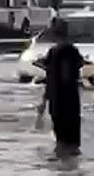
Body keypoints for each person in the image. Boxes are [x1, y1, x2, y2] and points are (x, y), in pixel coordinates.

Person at [36, 19, 84, 153]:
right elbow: (79, 66)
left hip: (58, 102)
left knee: (61, 144)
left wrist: (44, 101)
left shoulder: (54, 53)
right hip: (72, 102)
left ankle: (63, 163)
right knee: (73, 145)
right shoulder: (73, 51)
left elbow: (51, 79)